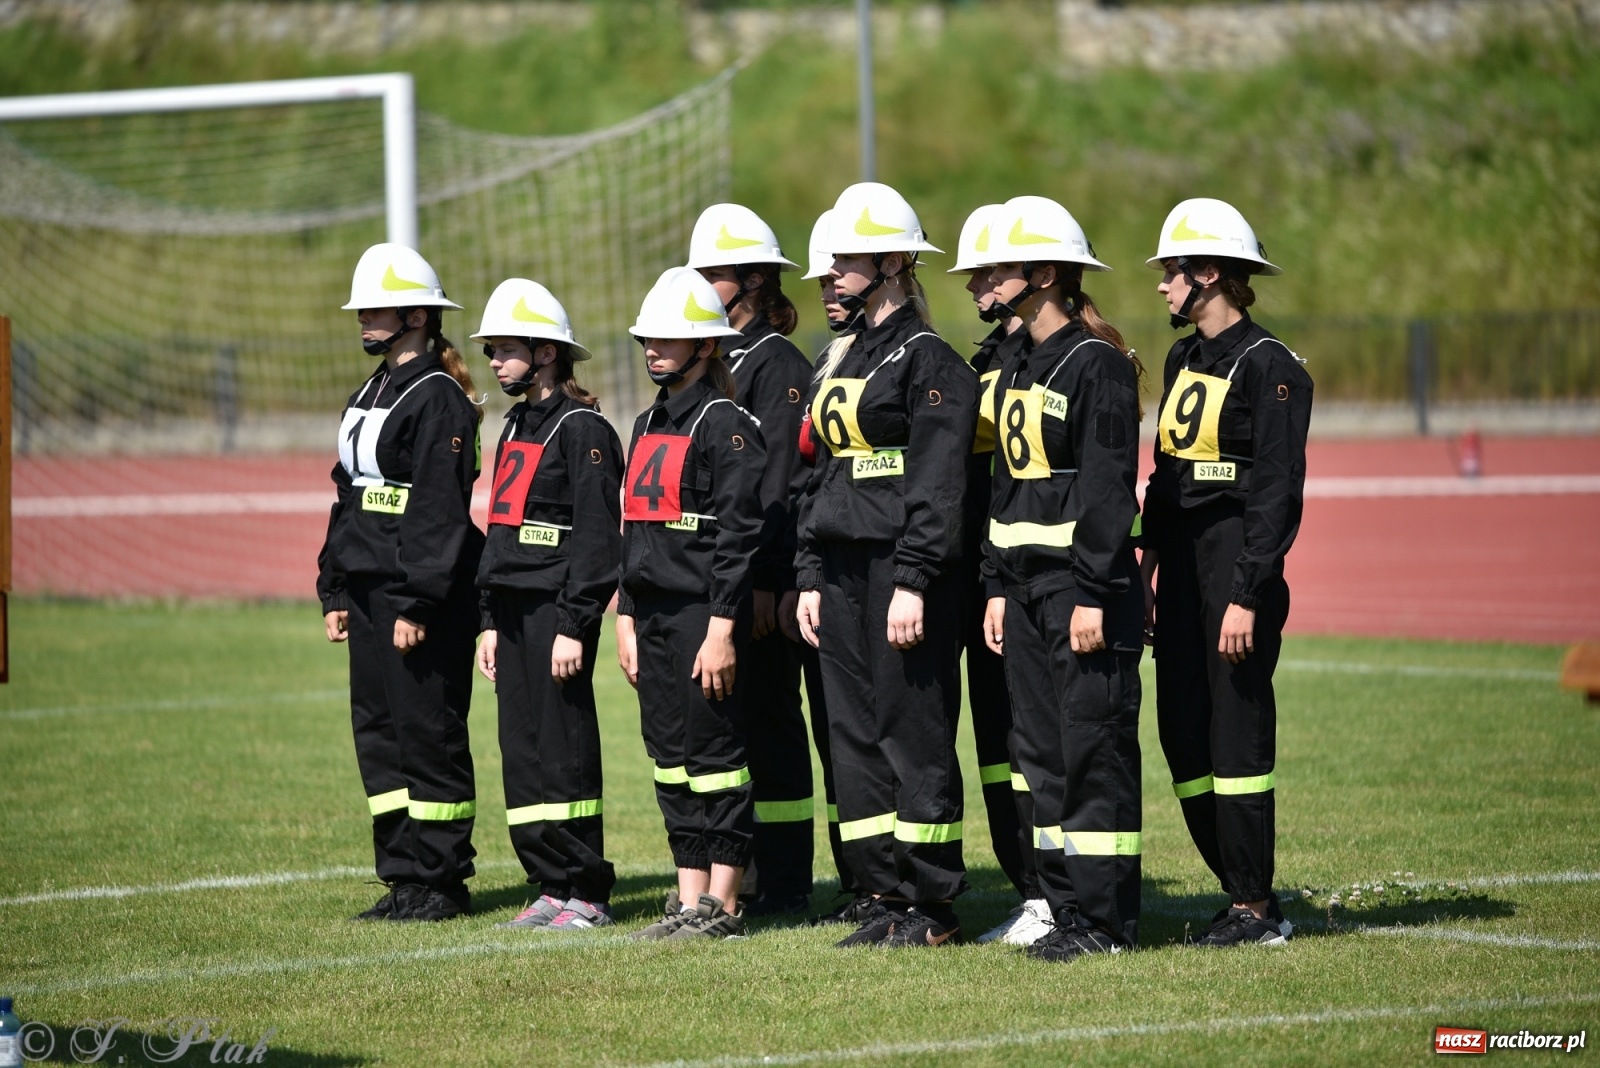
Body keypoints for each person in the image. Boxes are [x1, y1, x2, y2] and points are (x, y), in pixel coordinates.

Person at [795, 182, 977, 948]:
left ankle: (931, 905)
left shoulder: (928, 356)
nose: (832, 274)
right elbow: (820, 475)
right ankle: (885, 891)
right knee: (857, 737)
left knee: (913, 732)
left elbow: (939, 485)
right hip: (839, 572)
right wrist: (809, 571)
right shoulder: (846, 353)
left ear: (895, 262)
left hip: (901, 574)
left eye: (847, 260)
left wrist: (914, 578)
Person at [976, 196, 1145, 960]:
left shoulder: (1098, 366)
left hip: (1081, 595)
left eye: (999, 272)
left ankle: (1105, 924)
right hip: (1023, 593)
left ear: (1043, 275)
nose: (983, 283)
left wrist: (1091, 591)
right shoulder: (1015, 362)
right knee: (1040, 756)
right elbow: (1007, 490)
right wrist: (995, 586)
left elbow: (1109, 491)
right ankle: (1066, 910)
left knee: (1092, 754)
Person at [1141, 197, 1312, 947]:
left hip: (1234, 572)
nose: (1162, 287)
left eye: (1171, 272)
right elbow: (1167, 472)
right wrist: (1147, 563)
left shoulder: (1271, 366)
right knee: (1182, 734)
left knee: (1235, 737)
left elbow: (1276, 491)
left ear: (1208, 274)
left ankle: (1254, 905)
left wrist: (1247, 594)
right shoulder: (1183, 358)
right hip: (1178, 572)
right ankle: (1234, 886)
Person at [318, 242, 485, 922]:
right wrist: (334, 587)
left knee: (428, 731)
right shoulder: (374, 386)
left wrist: (418, 601)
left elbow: (440, 511)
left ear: (417, 315)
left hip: (419, 597)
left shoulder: (438, 397)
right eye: (363, 310)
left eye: (378, 310)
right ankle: (403, 874)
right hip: (366, 591)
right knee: (380, 732)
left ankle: (440, 880)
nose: (365, 320)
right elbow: (348, 493)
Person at [616, 267, 768, 941]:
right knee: (669, 757)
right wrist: (624, 614)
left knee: (716, 759)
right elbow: (635, 530)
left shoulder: (725, 423)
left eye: (670, 339)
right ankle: (687, 901)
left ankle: (726, 905)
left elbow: (739, 539)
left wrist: (721, 630)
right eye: (649, 337)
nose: (654, 348)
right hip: (650, 619)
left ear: (705, 347)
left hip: (702, 618)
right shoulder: (648, 420)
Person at [469, 278, 624, 931]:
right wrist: (485, 622)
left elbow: (595, 540)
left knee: (564, 749)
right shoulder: (515, 425)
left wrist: (573, 623)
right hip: (508, 614)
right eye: (493, 350)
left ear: (547, 353)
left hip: (556, 614)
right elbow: (502, 531)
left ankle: (585, 890)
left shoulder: (583, 429)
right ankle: (549, 883)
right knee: (522, 750)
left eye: (505, 348)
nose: (495, 361)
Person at [685, 204, 816, 916]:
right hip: (713, 582)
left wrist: (769, 582)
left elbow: (779, 487)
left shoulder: (778, 364)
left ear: (756, 279)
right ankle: (740, 870)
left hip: (759, 586)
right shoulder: (712, 356)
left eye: (716, 273)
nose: (704, 284)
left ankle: (785, 881)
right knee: (724, 732)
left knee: (771, 724)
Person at [944, 203, 1046, 946]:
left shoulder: (1062, 360)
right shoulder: (985, 362)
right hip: (982, 579)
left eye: (989, 271)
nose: (977, 283)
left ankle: (1051, 892)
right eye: (974, 272)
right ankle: (1028, 890)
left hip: (1025, 579)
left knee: (1033, 743)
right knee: (995, 747)